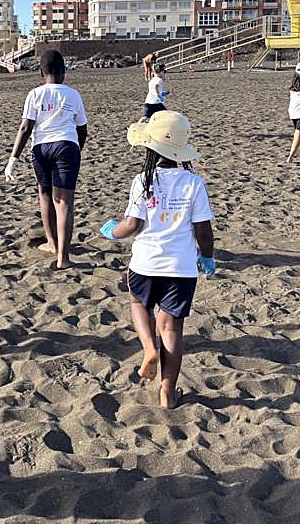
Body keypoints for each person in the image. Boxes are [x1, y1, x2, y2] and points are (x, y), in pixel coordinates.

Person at [98, 110, 216, 409]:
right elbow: (203, 229)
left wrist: (113, 231)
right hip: (181, 268)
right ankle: (167, 392)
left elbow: (133, 225)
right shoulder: (193, 183)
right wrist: (208, 257)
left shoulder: (143, 180)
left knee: (138, 304)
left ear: (149, 148)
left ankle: (148, 347)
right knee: (172, 329)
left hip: (145, 264)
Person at [5, 49, 89, 269]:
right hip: (66, 146)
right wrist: (77, 149)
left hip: (40, 148)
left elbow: (25, 127)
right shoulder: (73, 94)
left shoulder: (35, 94)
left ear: (41, 73)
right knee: (64, 203)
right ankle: (63, 258)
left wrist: (13, 159)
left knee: (45, 194)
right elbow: (82, 128)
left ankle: (51, 243)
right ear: (64, 72)